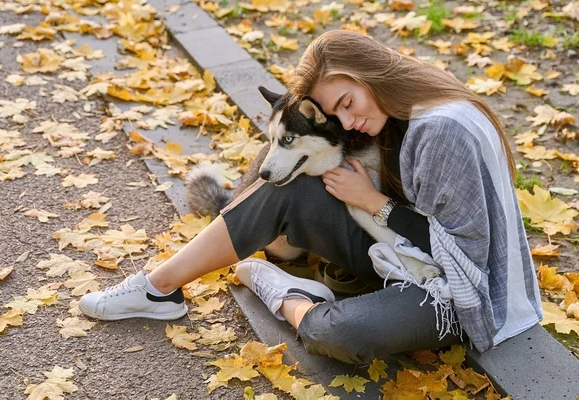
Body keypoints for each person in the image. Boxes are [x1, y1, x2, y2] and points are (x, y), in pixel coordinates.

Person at [79, 30, 542, 363]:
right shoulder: (404, 102)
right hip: (402, 252)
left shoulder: (441, 129)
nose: (347, 119)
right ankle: (158, 288)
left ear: (371, 75)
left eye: (347, 104)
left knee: (338, 333)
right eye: (335, 110)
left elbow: (466, 255)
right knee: (294, 185)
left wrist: (374, 203)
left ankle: (284, 292)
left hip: (461, 293)